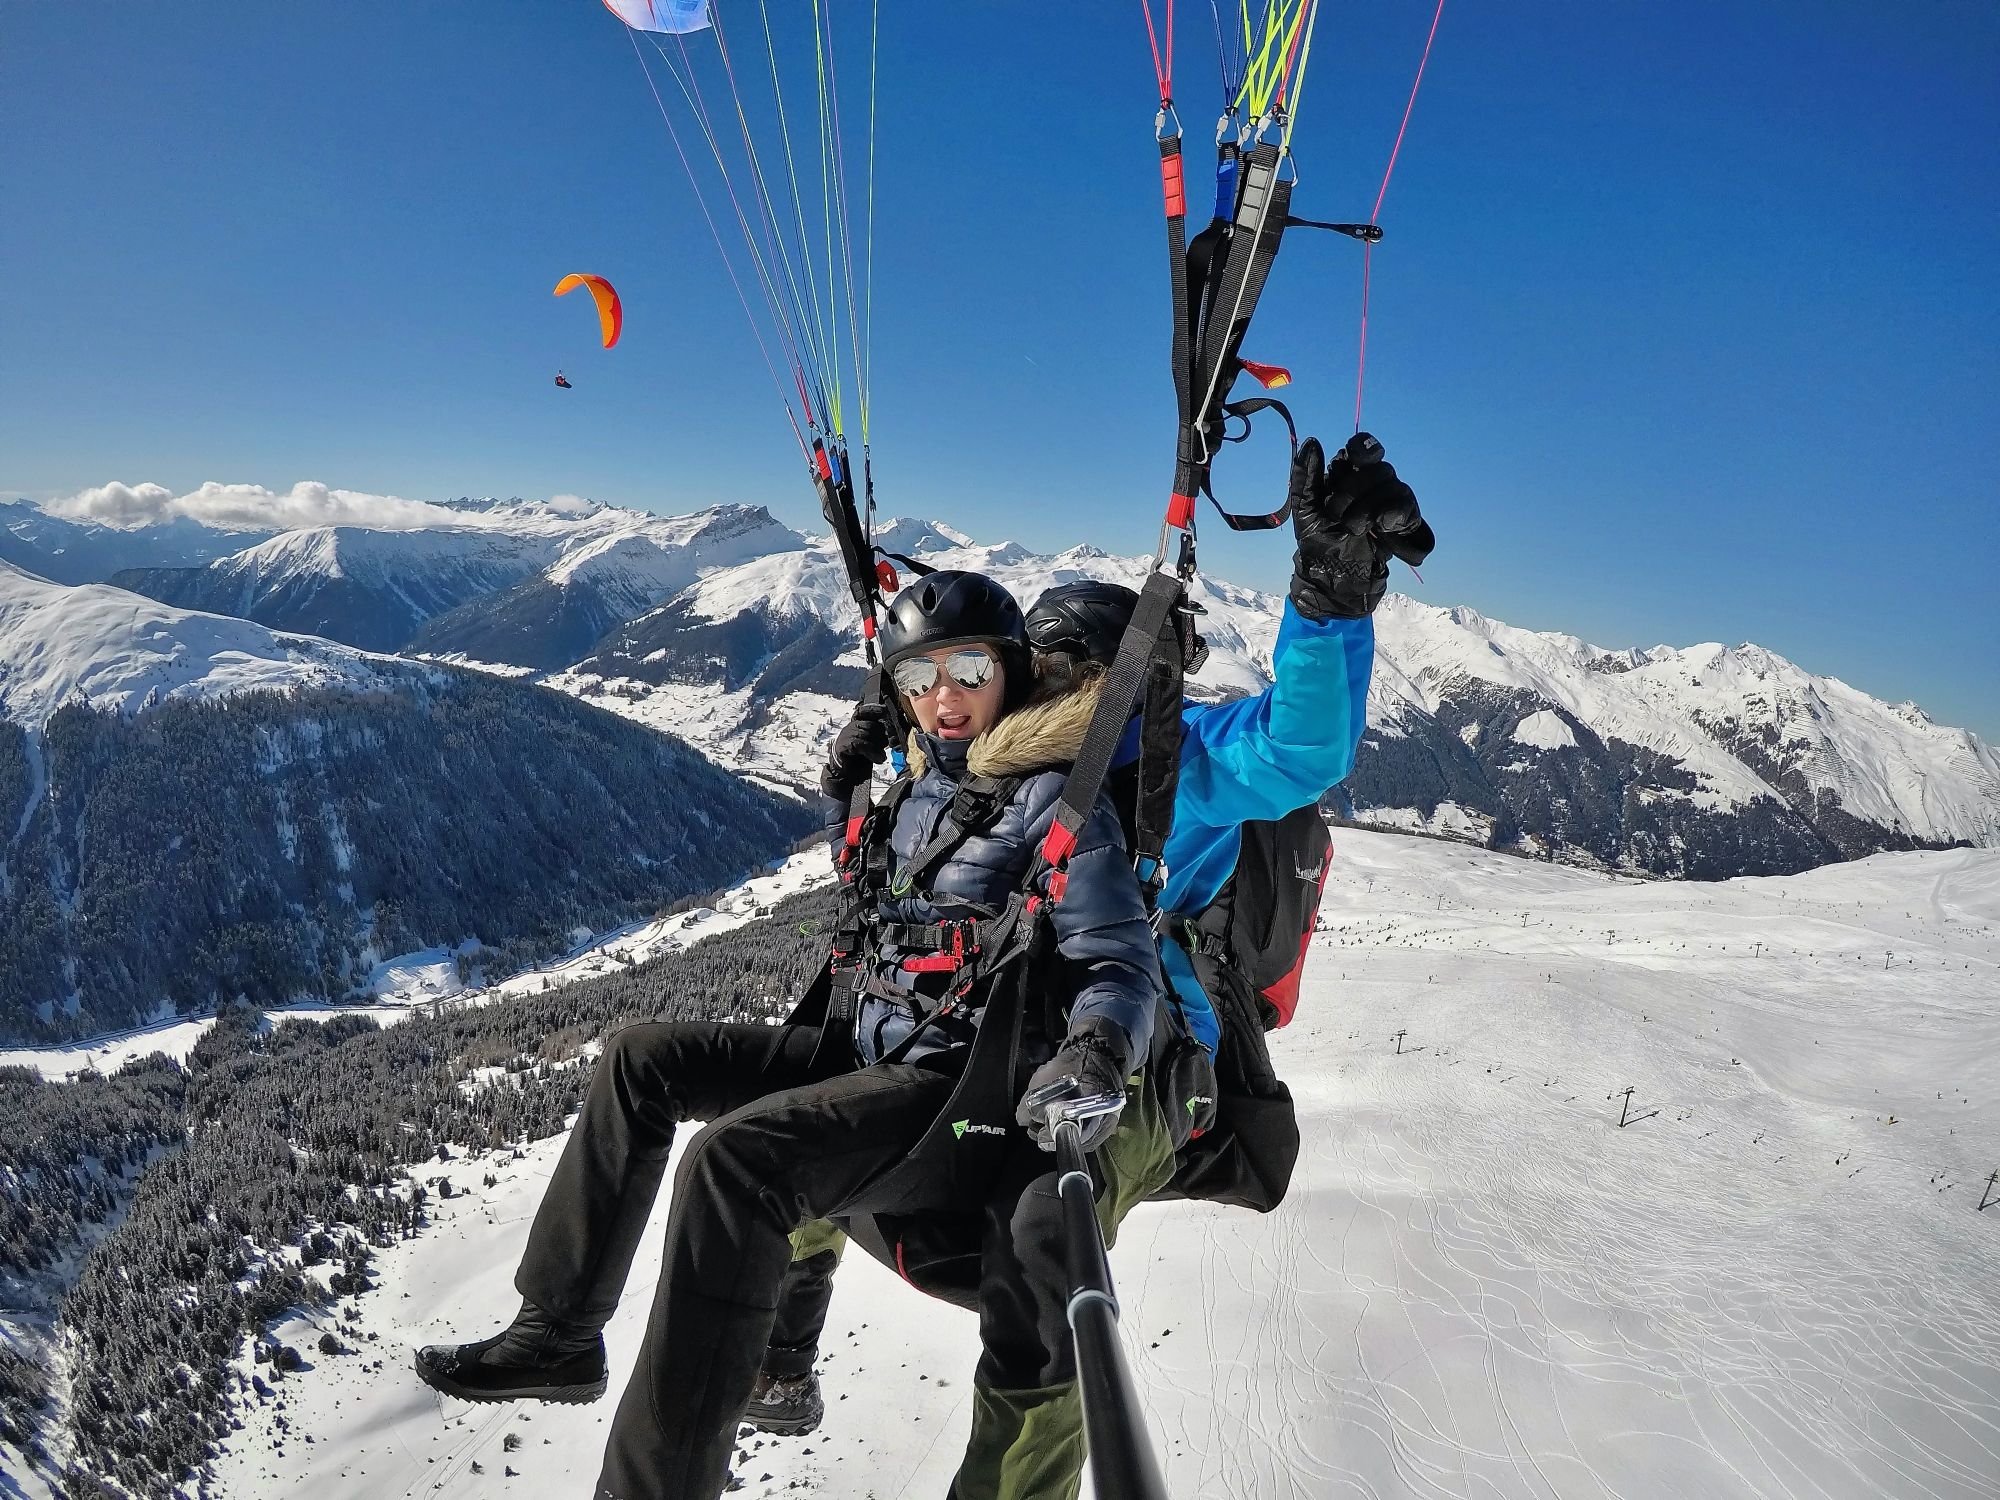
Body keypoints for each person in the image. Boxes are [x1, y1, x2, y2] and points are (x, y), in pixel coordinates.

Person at [749, 432, 1436, 1498]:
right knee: (815, 1082)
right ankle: (782, 1357)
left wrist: (1331, 596)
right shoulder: (992, 764)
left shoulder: (1178, 767)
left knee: (1044, 1246)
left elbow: (1301, 749)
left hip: (1140, 1056)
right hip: (990, 1025)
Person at [412, 569, 1165, 1500]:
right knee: (640, 1058)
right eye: (919, 677)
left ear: (1012, 670)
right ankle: (560, 1333)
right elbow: (883, 886)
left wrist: (1095, 1049)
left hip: (947, 1093)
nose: (944, 696)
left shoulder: (1050, 800)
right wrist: (844, 787)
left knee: (736, 1164)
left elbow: (1120, 961)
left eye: (968, 668)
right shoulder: (928, 783)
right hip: (866, 1049)